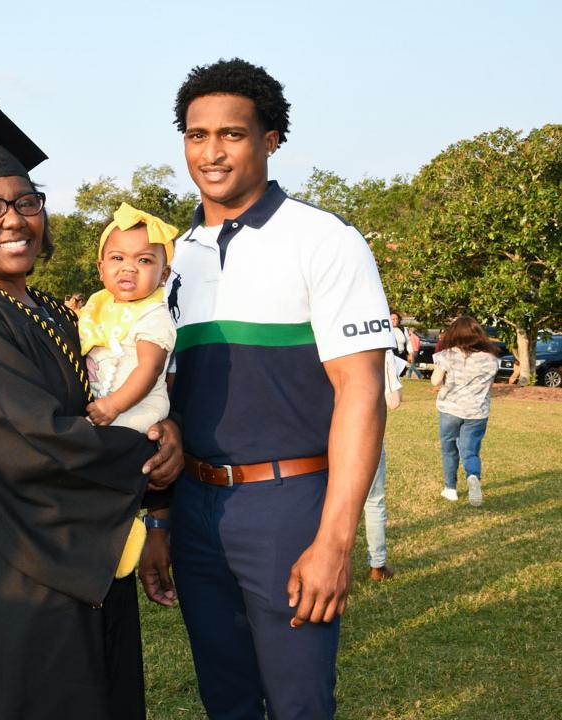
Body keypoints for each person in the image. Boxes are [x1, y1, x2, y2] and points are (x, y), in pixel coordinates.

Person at [0, 102, 184, 720]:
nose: (13, 220)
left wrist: (163, 434)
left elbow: (106, 399)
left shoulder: (51, 308)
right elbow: (30, 440)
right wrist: (145, 456)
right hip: (10, 575)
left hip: (79, 558)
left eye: (27, 201)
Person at [139, 59, 391, 719]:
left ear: (270, 139)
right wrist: (159, 518)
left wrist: (335, 541)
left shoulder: (323, 240)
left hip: (288, 507)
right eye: (196, 135)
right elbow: (169, 398)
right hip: (195, 506)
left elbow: (359, 391)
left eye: (231, 134)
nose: (211, 152)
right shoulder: (175, 255)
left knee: (298, 703)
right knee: (224, 701)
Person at [79, 202, 178, 433]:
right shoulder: (98, 307)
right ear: (101, 269)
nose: (129, 268)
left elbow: (150, 367)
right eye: (117, 258)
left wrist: (114, 405)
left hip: (137, 410)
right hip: (105, 407)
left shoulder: (153, 316)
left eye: (144, 260)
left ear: (164, 274)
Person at [431, 315, 501, 506]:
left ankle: (450, 489)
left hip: (450, 409)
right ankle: (473, 475)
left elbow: (435, 381)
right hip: (477, 412)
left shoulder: (447, 355)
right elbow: (489, 386)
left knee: (449, 449)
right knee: (470, 451)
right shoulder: (491, 359)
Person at [364, 349, 405, 582]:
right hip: (366, 436)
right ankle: (377, 566)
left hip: (323, 436)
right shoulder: (381, 350)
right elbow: (394, 401)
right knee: (373, 502)